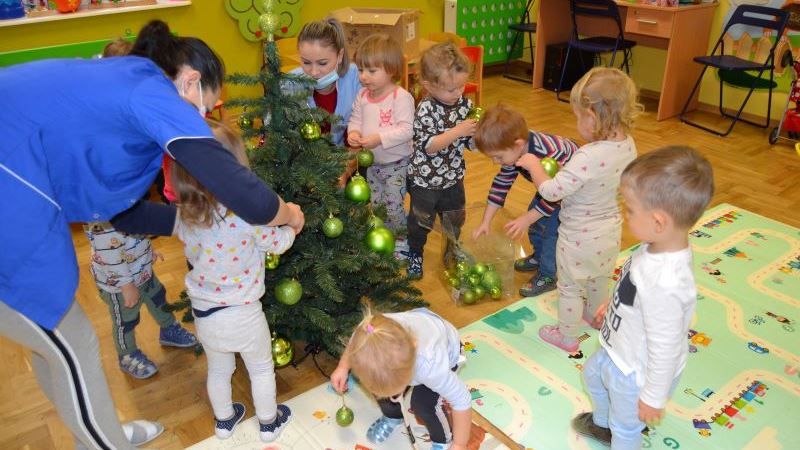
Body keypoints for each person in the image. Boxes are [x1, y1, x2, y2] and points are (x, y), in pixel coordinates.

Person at [0, 20, 304, 450]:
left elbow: (123, 215)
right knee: (72, 341)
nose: (202, 121)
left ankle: (100, 430)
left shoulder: (128, 82)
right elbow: (246, 197)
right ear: (191, 82)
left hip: (15, 185)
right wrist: (288, 214)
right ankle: (106, 442)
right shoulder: (151, 92)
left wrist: (185, 223)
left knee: (54, 346)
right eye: (207, 108)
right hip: (10, 199)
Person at [573, 146, 714, 449]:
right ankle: (602, 425)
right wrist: (613, 306)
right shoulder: (655, 245)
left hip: (636, 373)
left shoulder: (667, 283)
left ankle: (617, 433)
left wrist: (652, 397)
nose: (625, 215)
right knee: (593, 377)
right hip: (619, 349)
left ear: (659, 221)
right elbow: (634, 288)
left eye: (630, 209)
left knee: (627, 429)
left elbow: (666, 346)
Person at [171, 119, 299, 442]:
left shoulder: (186, 218)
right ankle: (269, 423)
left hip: (205, 314)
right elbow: (278, 243)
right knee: (260, 369)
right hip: (243, 313)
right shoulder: (245, 215)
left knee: (218, 369)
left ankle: (224, 421)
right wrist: (292, 227)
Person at [514, 67, 640, 353]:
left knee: (570, 286)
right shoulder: (628, 145)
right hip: (610, 231)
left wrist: (535, 165)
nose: (577, 123)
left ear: (593, 118)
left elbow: (551, 191)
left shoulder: (588, 155)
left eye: (579, 117)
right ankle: (596, 316)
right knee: (598, 277)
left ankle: (567, 335)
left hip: (578, 237)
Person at [472, 104, 578, 296]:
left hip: (571, 193)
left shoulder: (548, 153)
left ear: (518, 145)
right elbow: (501, 184)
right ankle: (539, 257)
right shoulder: (514, 150)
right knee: (537, 224)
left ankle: (548, 275)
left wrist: (527, 218)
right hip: (549, 188)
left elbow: (557, 196)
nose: (496, 162)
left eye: (498, 157)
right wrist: (486, 221)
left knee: (551, 233)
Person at [330, 307, 471, 450]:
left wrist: (460, 444)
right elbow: (354, 345)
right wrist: (343, 367)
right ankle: (393, 416)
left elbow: (461, 401)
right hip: (411, 340)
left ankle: (442, 440)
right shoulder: (367, 333)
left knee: (423, 404)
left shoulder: (432, 366)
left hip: (449, 350)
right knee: (382, 389)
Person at [84, 221, 197, 379]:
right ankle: (127, 355)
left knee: (159, 301)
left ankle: (168, 329)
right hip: (119, 287)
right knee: (126, 321)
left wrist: (149, 252)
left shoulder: (130, 206)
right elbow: (111, 259)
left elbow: (138, 236)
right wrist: (126, 285)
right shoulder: (103, 226)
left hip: (143, 272)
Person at [406, 41, 477, 279]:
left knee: (455, 219)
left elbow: (468, 143)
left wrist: (477, 138)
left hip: (453, 177)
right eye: (450, 89)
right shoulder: (426, 108)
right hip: (425, 180)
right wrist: (458, 130)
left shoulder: (465, 105)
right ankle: (415, 253)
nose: (458, 93)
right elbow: (429, 146)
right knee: (420, 222)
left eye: (461, 86)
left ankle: (452, 251)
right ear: (429, 85)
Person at [347, 34, 415, 258]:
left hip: (396, 163)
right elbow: (356, 119)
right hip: (373, 164)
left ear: (392, 70)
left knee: (394, 203)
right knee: (377, 204)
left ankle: (402, 239)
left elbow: (407, 130)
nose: (364, 76)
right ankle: (383, 236)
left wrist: (378, 138)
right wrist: (354, 133)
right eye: (361, 70)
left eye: (372, 71)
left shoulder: (400, 97)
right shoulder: (362, 95)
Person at [290, 18, 361, 148]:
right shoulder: (290, 84)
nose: (314, 72)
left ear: (339, 56)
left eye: (322, 63)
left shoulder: (355, 77)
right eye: (306, 62)